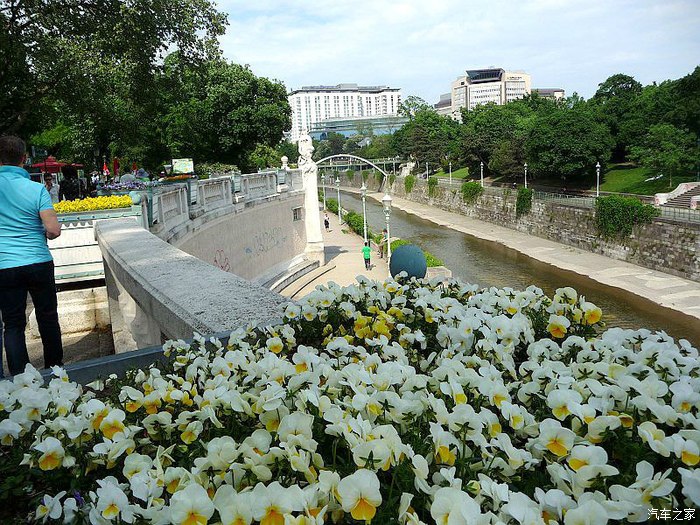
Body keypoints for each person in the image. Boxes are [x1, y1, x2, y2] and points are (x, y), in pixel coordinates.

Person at [0, 135, 63, 376]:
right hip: (38, 261)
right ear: (24, 158)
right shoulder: (37, 189)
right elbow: (53, 230)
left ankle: (21, 380)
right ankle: (55, 373)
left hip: (5, 264)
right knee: (48, 318)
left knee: (13, 324)